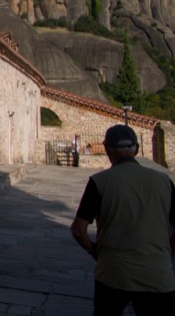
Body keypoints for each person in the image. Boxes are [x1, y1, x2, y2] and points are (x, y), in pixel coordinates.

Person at [70, 124, 175, 315]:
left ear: (107, 149)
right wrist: (166, 253)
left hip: (113, 272)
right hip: (157, 273)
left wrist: (94, 251)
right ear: (136, 148)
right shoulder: (165, 182)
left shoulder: (100, 181)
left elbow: (78, 229)